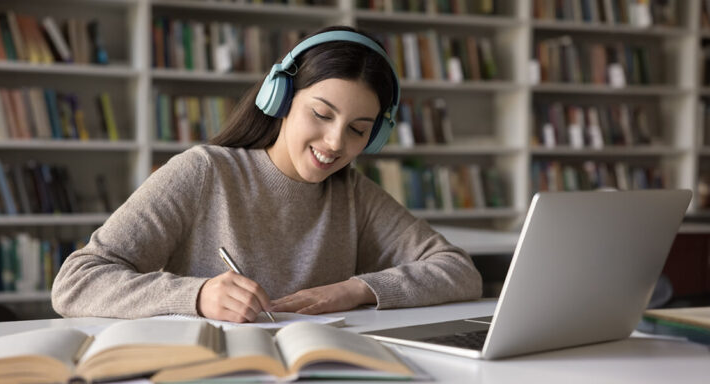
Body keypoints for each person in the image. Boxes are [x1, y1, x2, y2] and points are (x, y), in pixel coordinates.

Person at [51, 26, 482, 322]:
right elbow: (76, 281)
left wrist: (353, 290)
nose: (335, 143)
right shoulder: (205, 172)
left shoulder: (353, 194)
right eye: (321, 114)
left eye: (357, 130)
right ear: (280, 98)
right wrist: (197, 297)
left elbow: (459, 271)